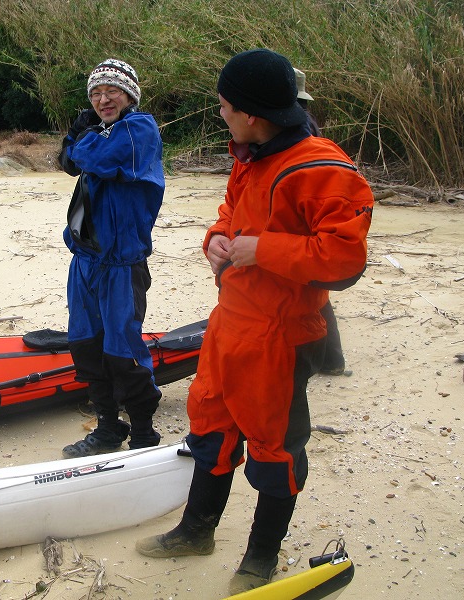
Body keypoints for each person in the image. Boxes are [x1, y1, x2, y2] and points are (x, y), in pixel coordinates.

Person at [135, 49, 374, 595]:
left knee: (275, 448)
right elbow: (232, 214)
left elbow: (345, 260)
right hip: (230, 325)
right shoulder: (251, 154)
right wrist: (217, 240)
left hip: (281, 337)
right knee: (210, 427)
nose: (220, 114)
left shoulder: (322, 167)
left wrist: (261, 249)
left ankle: (260, 559)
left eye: (224, 106)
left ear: (250, 113)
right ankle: (196, 532)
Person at [58, 59, 165, 458]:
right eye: (96, 93)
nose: (103, 100)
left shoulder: (139, 129)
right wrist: (80, 139)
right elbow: (68, 162)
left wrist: (80, 138)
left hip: (121, 264)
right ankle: (107, 427)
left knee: (123, 349)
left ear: (130, 95)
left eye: (112, 91)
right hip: (85, 260)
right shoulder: (104, 132)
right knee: (86, 344)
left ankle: (144, 434)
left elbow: (94, 159)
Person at [294, 66, 347, 376]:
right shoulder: (307, 121)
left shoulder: (299, 126)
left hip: (305, 217)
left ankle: (330, 360)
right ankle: (331, 361)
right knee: (316, 296)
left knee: (313, 297)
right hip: (310, 214)